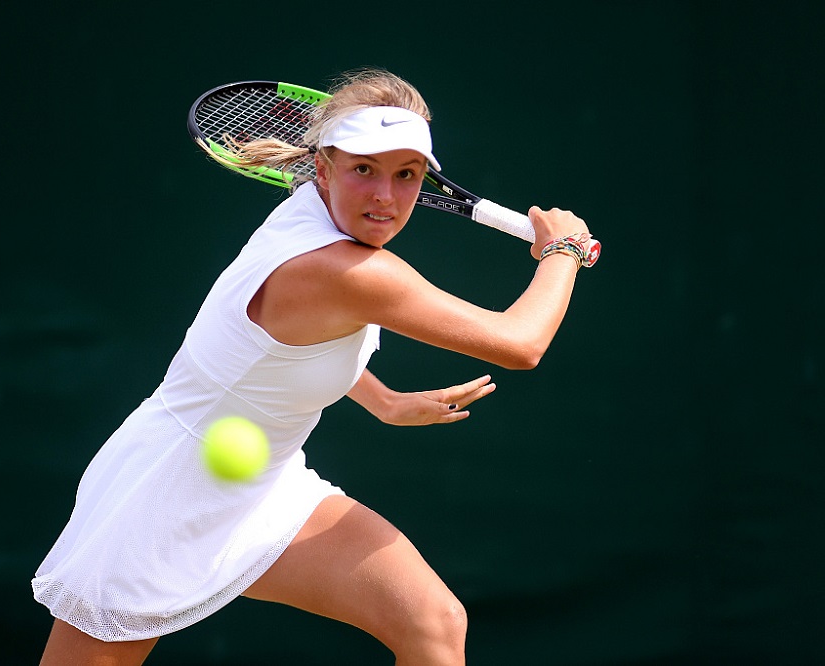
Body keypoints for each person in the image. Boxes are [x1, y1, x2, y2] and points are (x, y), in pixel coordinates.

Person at [33, 68, 595, 666]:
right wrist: (562, 250)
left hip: (266, 484)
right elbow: (519, 344)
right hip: (168, 491)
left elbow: (284, 346)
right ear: (322, 168)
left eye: (406, 175)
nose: (385, 196)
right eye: (364, 169)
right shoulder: (344, 272)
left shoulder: (314, 213)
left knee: (431, 622)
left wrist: (384, 400)